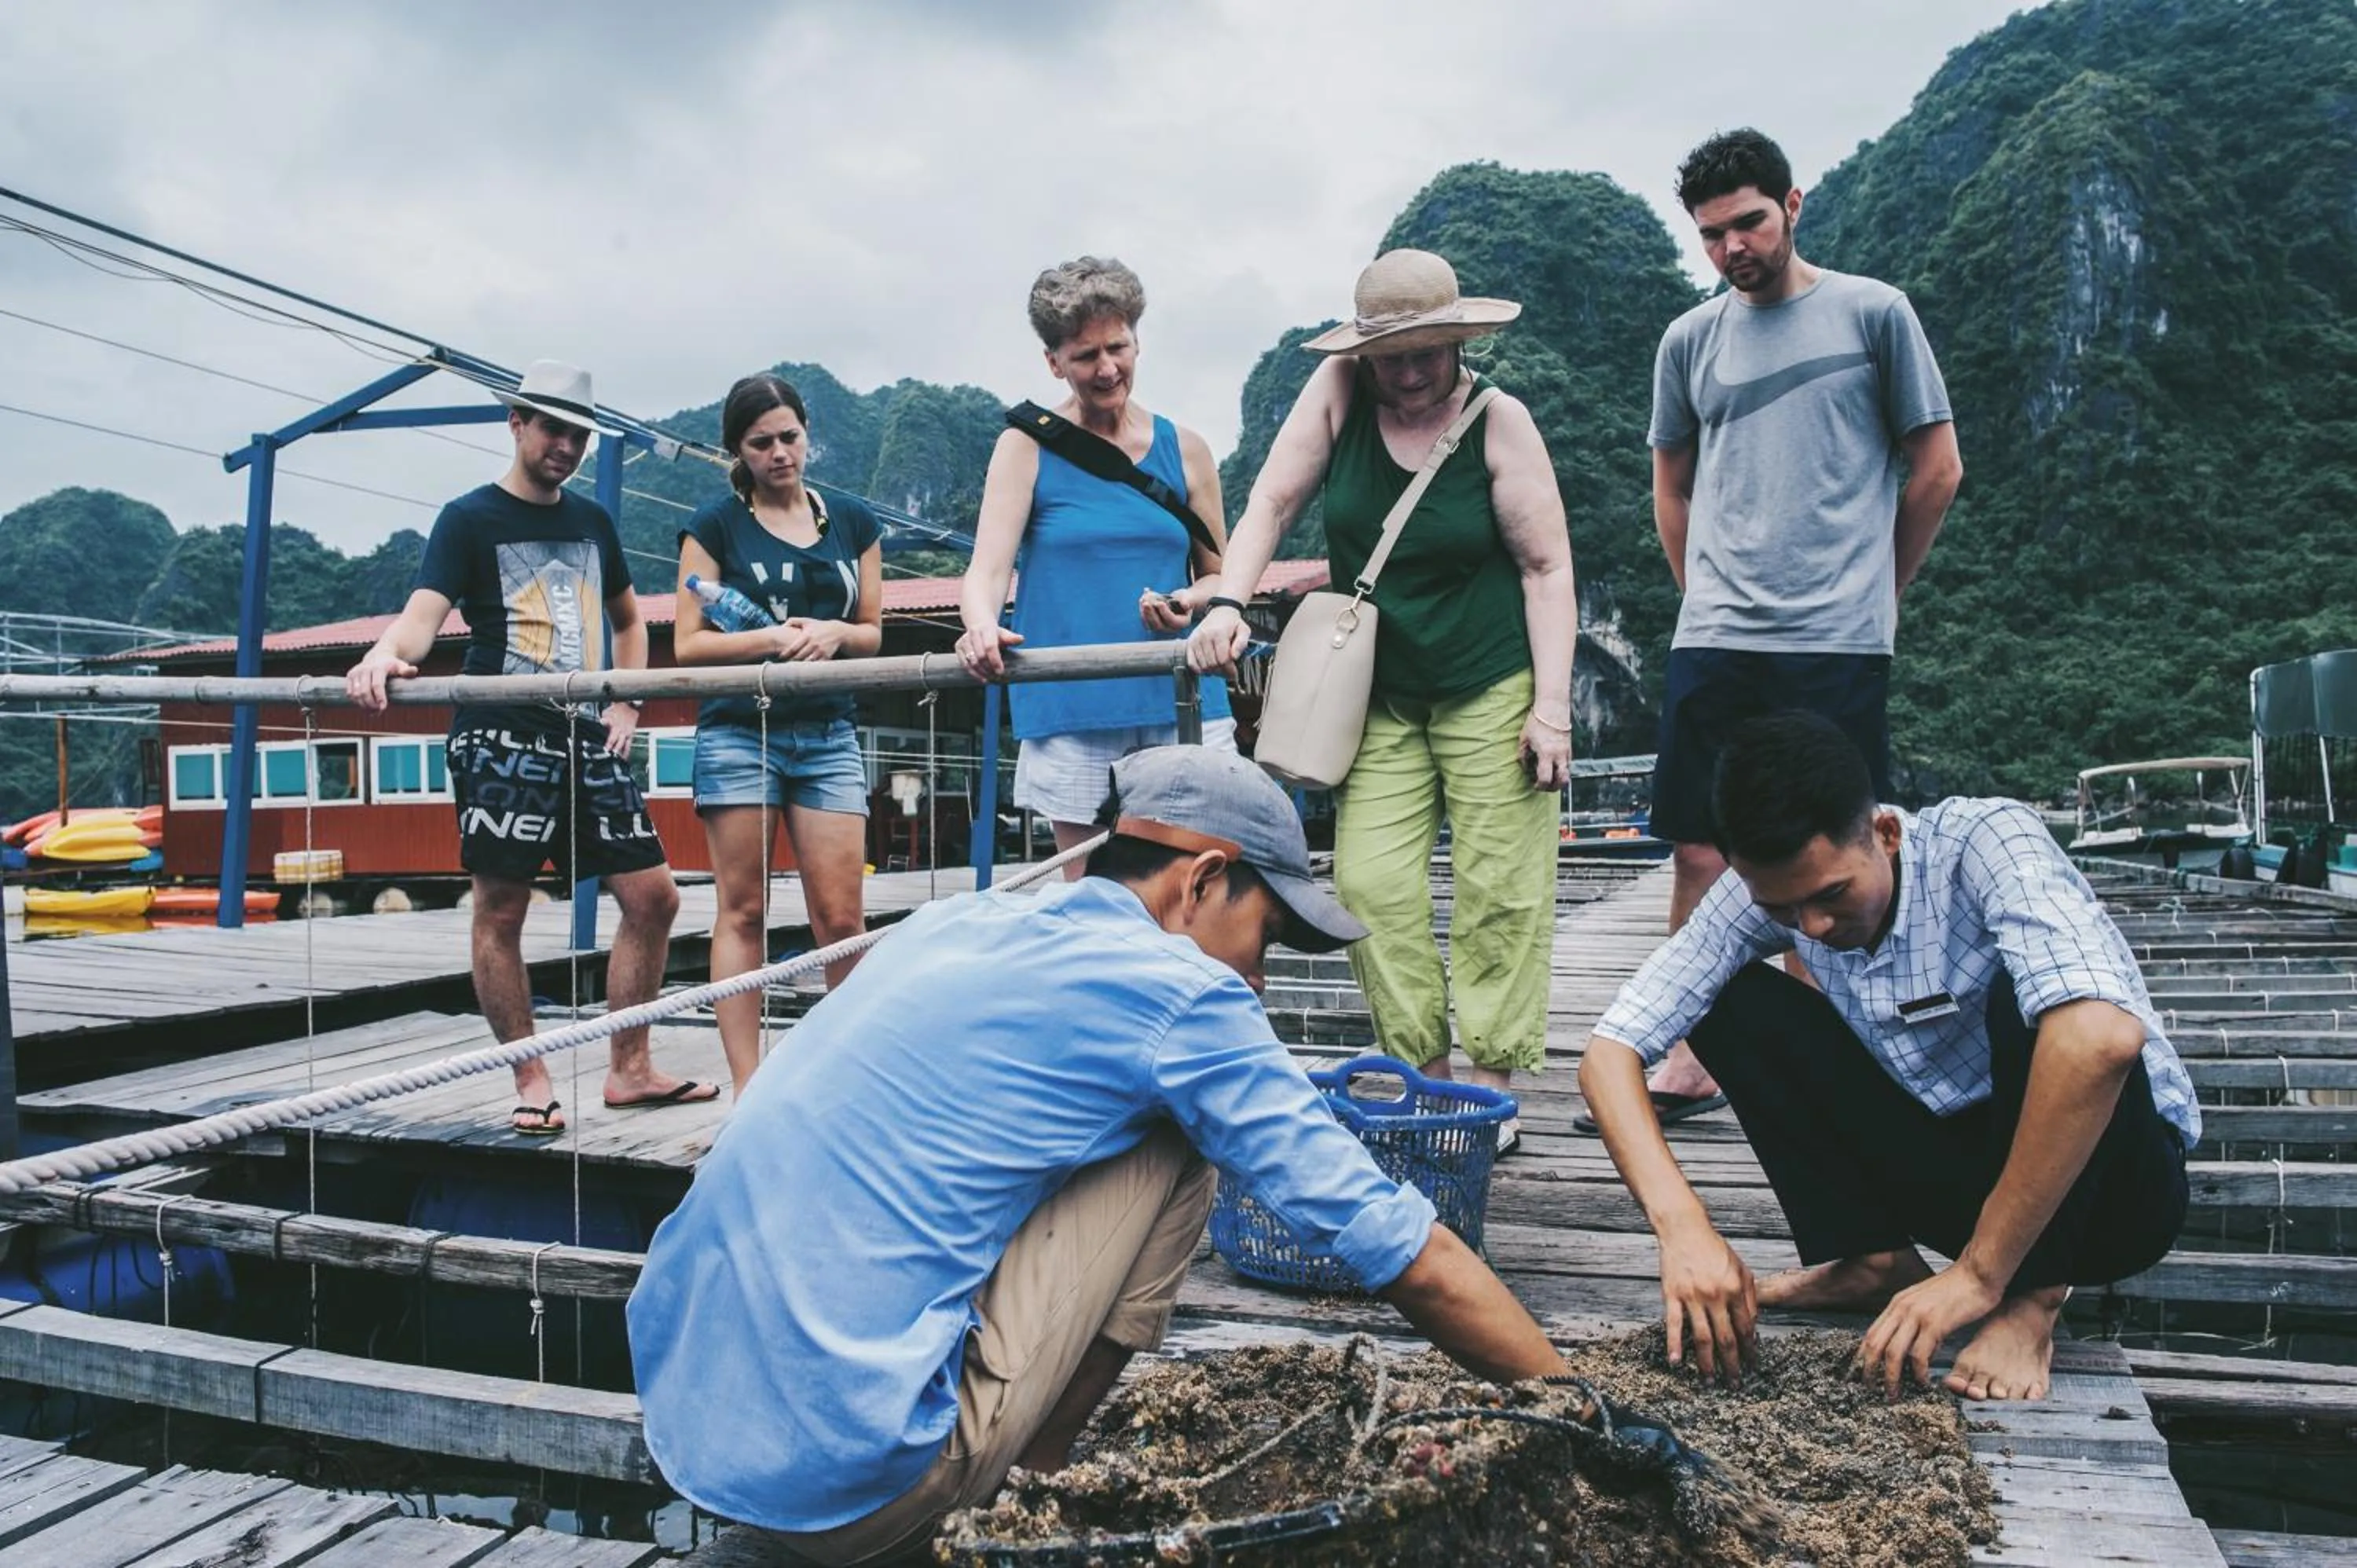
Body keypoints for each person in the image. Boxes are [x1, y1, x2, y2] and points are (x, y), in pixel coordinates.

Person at [629, 746, 1605, 1563]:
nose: (1259, 980)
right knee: (1184, 1140)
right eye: (1265, 938)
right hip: (854, 1480)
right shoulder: (1182, 991)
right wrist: (1588, 1414)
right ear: (1202, 881)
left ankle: (999, 1469)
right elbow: (1399, 1249)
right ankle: (1025, 1495)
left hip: (689, 1416)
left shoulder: (963, 918)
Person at [1578, 712, 2195, 1402]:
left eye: (1831, 895)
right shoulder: (1769, 895)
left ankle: (2034, 1299)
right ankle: (1874, 1258)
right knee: (1726, 999)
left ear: (1886, 834)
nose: (1813, 928)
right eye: (1783, 910)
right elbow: (1609, 1052)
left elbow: (2101, 1041)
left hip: (2113, 1199)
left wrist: (1979, 1278)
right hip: (1967, 1182)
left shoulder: (1986, 841)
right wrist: (1683, 1230)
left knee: (2047, 1002)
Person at [1618, 126, 1965, 1130]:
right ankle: (1697, 1048)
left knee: (1827, 851)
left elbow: (1937, 469)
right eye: (1711, 233)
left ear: (1794, 205)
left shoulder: (1873, 314)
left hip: (1836, 640)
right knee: (1699, 850)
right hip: (1719, 638)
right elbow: (1671, 486)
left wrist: (1879, 589)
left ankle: (1824, 1049)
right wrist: (1701, 595)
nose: (1732, 247)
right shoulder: (1690, 341)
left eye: (1749, 223)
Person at [1190, 248, 1578, 1148]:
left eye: (1425, 354)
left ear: (1458, 342)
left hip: (1493, 683)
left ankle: (1489, 1089)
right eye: (1389, 357)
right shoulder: (1338, 391)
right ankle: (1426, 1077)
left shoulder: (1498, 421)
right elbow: (1272, 502)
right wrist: (1226, 602)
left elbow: (1547, 567)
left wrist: (1553, 707)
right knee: (1370, 881)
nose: (1406, 374)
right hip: (1379, 694)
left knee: (1500, 884)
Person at [345, 360, 713, 1135]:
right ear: (516, 424)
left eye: (579, 434)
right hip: (499, 731)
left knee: (654, 896)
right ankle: (530, 1074)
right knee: (502, 908)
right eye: (553, 429)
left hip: (582, 730)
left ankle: (630, 1067)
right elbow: (421, 618)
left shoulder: (592, 522)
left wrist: (627, 699)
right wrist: (384, 655)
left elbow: (630, 621)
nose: (567, 447)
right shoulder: (468, 519)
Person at [956, 257, 1234, 871]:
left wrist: (1187, 603)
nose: (1107, 368)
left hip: (1180, 699)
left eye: (1118, 347)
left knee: (1197, 889)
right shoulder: (1026, 447)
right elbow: (987, 570)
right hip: (1072, 708)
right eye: (1086, 356)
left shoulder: (1186, 449)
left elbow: (1221, 575)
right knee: (1091, 897)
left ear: (1137, 342)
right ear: (1054, 362)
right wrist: (979, 626)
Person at [673, 374, 882, 1098]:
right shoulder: (714, 526)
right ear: (739, 450)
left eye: (789, 437)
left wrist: (834, 633)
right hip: (741, 731)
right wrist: (769, 638)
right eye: (761, 443)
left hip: (828, 731)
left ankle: (846, 1082)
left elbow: (872, 632)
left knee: (842, 916)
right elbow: (689, 645)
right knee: (743, 910)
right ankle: (748, 1087)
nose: (779, 453)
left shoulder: (852, 521)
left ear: (807, 433)